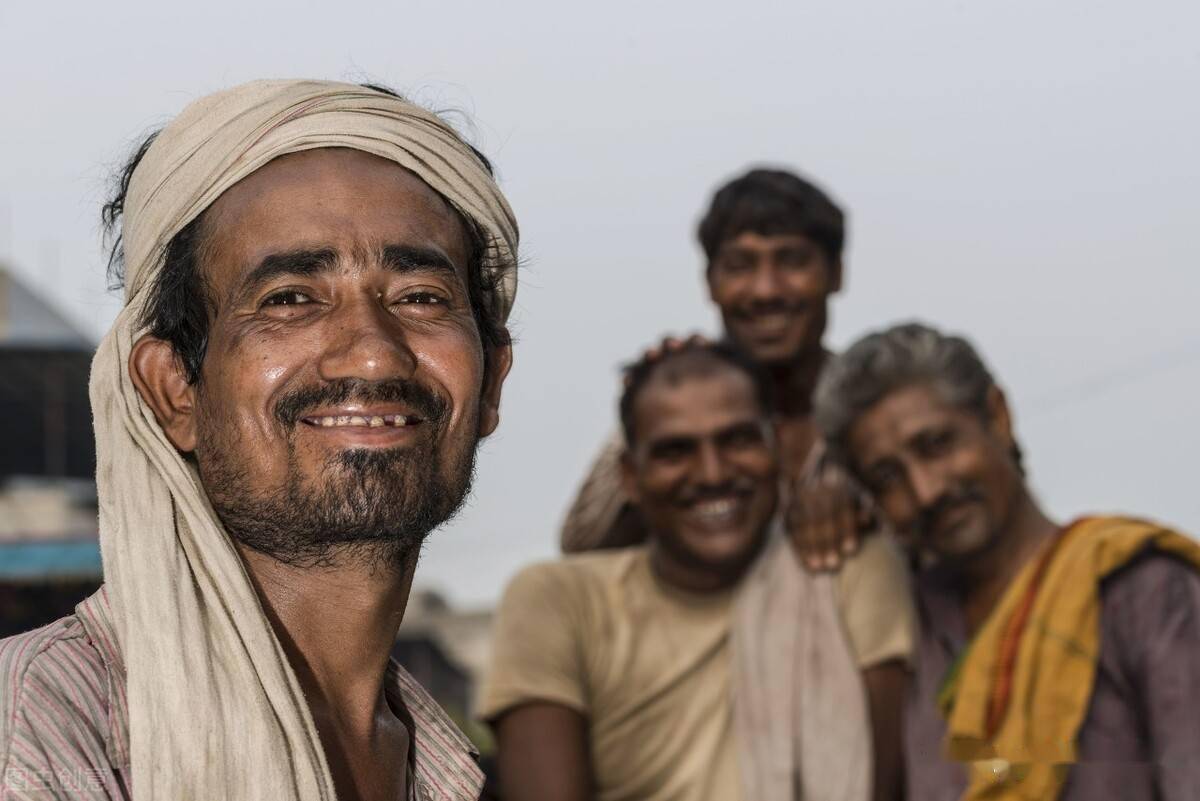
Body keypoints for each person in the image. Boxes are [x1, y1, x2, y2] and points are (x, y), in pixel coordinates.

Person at [0, 80, 518, 801]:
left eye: (420, 297)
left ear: (491, 380)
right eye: (290, 299)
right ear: (174, 387)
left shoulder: (443, 771)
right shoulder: (40, 725)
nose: (372, 352)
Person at [482, 341, 916, 801]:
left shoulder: (845, 566)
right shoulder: (555, 600)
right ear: (630, 476)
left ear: (775, 449)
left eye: (738, 440)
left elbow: (877, 784)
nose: (712, 473)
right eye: (676, 451)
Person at [813, 321, 1200, 801]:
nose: (926, 490)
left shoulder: (1141, 591)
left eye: (936, 445)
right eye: (888, 477)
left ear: (998, 417)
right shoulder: (907, 627)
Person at [561, 168, 865, 568]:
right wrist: (651, 408)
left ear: (835, 274)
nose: (766, 290)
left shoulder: (875, 404)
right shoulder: (676, 402)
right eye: (740, 265)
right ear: (710, 282)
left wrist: (861, 491)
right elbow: (582, 546)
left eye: (792, 261)